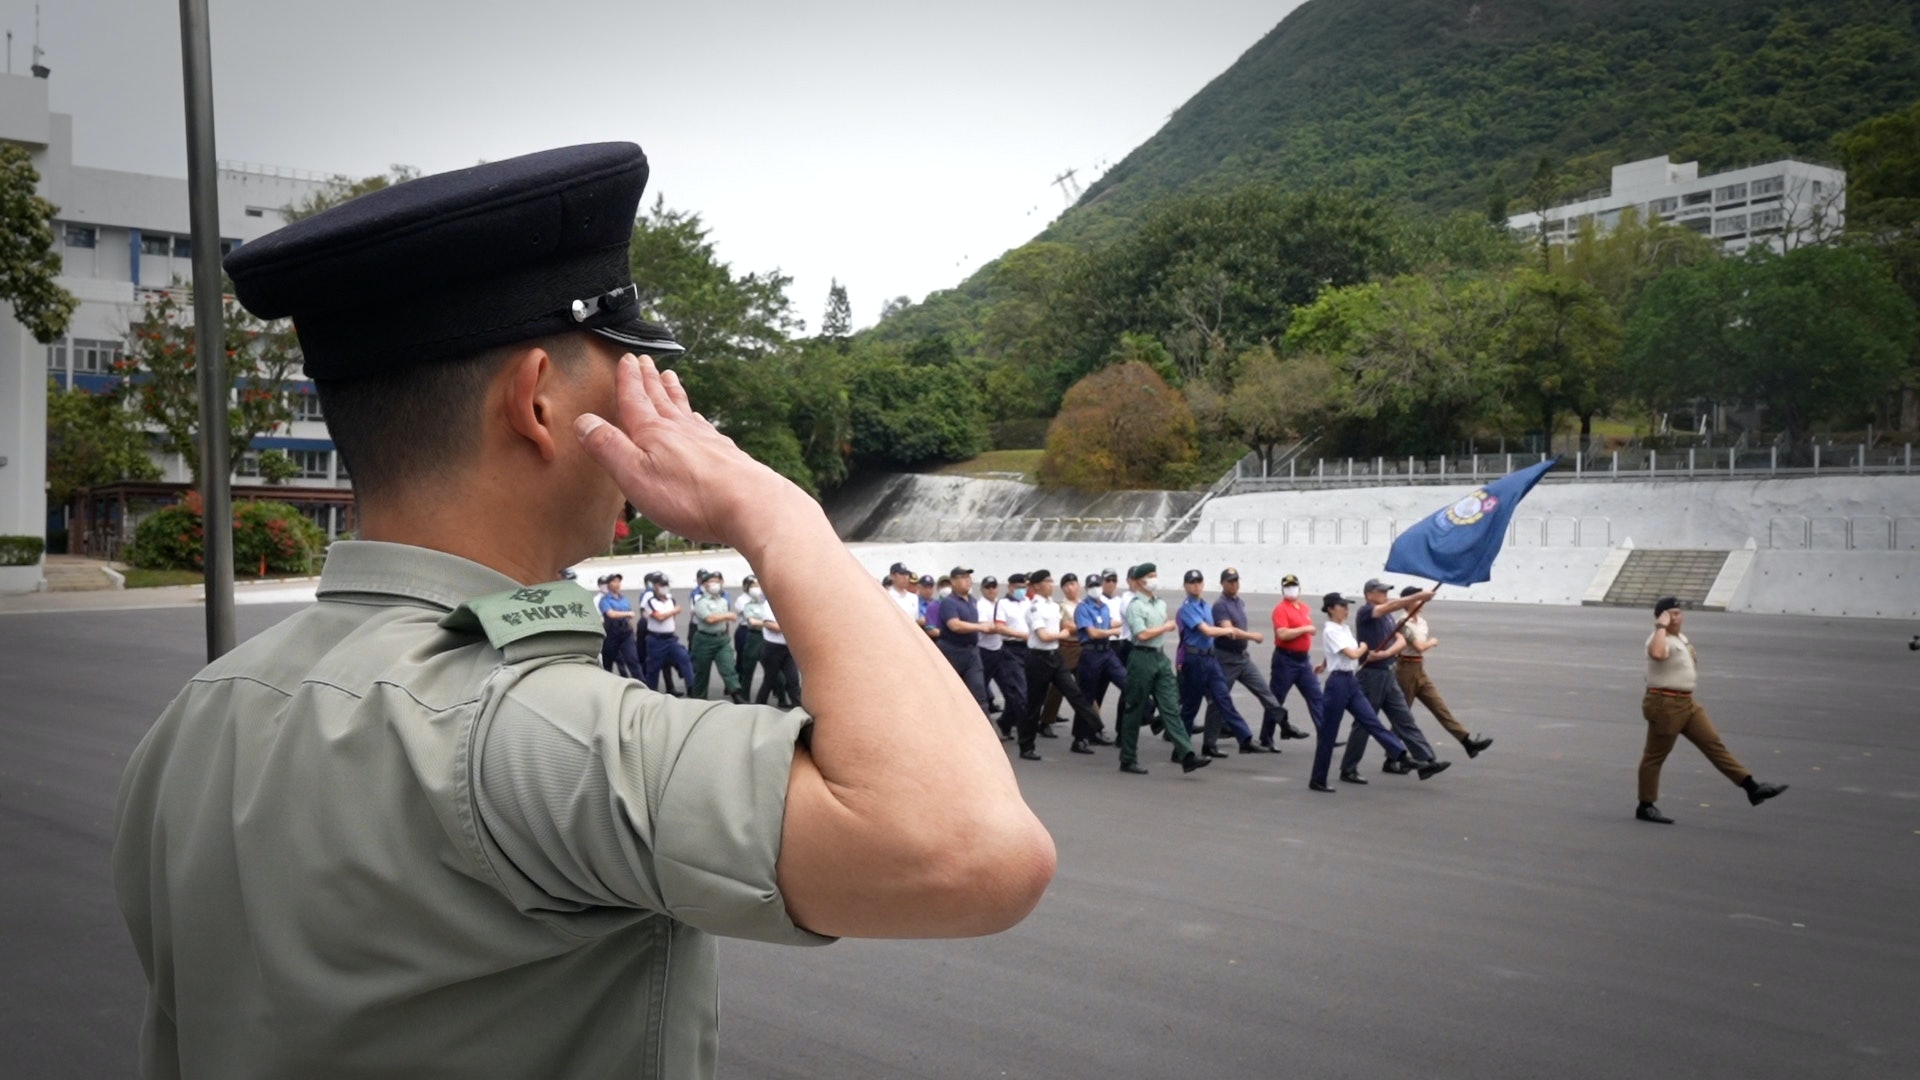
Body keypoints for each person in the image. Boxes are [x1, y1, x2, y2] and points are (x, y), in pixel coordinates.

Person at [114, 142, 1052, 1079]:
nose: (666, 414)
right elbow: (974, 850)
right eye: (633, 372)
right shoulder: (535, 731)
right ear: (537, 402)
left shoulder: (198, 716)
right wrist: (778, 514)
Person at [1636, 598, 1788, 824]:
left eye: (1679, 613)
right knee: (1655, 756)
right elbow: (1657, 654)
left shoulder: (1681, 639)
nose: (1677, 617)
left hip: (1687, 704)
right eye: (1671, 614)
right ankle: (1645, 806)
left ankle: (1751, 787)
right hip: (1665, 704)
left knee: (1713, 745)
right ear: (1660, 617)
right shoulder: (1658, 638)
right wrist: (1660, 626)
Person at [1315, 593, 1444, 791]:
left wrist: (1326, 661)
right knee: (1329, 733)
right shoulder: (1330, 630)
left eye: (1347, 605)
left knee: (1372, 722)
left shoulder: (1344, 628)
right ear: (1331, 609)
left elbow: (1339, 651)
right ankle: (1318, 779)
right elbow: (1351, 653)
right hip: (1338, 684)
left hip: (1350, 681)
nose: (1346, 609)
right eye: (1342, 606)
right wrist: (1364, 648)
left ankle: (1401, 755)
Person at [1116, 564, 1210, 776]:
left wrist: (1162, 629)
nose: (1154, 579)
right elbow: (1141, 634)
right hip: (1141, 657)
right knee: (1135, 708)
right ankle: (1128, 757)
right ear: (1139, 581)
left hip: (1159, 656)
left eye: (1155, 576)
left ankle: (1186, 755)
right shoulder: (1135, 606)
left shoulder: (1160, 603)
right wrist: (1165, 627)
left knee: (1170, 706)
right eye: (1150, 576)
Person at [1395, 585, 1493, 758]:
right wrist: (1432, 642)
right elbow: (1418, 647)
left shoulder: (1422, 622)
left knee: (1440, 708)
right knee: (1403, 716)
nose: (1422, 602)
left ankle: (1467, 742)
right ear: (1408, 602)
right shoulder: (1402, 622)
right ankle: (1393, 756)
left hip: (1419, 668)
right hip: (1405, 669)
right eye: (1418, 598)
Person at [1175, 569, 1263, 759]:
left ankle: (1245, 739)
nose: (1196, 585)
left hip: (1210, 658)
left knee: (1223, 698)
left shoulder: (1206, 606)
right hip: (1195, 660)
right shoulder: (1187, 608)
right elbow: (1206, 631)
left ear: (1203, 584)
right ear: (1185, 586)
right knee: (1191, 707)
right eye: (1191, 582)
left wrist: (1227, 631)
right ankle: (1181, 749)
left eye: (1199, 581)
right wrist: (1227, 631)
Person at [1203, 567, 1288, 755]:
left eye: (1236, 581)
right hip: (1225, 659)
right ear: (1222, 583)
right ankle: (1209, 744)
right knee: (1218, 701)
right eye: (1230, 581)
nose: (1234, 584)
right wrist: (1253, 636)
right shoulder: (1220, 605)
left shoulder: (1239, 602)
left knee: (1264, 690)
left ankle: (1285, 724)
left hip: (1242, 658)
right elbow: (1230, 631)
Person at [1021, 570, 1106, 755]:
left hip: (1056, 655)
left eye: (1051, 581)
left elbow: (1062, 624)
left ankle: (1094, 726)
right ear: (1036, 585)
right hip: (1039, 657)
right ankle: (1026, 746)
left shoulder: (1052, 605)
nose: (1051, 584)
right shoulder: (1034, 607)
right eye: (1047, 581)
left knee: (1074, 692)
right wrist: (1062, 635)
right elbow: (1042, 635)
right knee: (1035, 703)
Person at [1265, 574, 1320, 749]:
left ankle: (1326, 735)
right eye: (1287, 587)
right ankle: (1266, 739)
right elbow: (1282, 633)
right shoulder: (1281, 609)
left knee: (1316, 697)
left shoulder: (1304, 608)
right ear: (1282, 589)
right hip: (1285, 659)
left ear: (1299, 588)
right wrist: (1304, 629)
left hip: (1303, 660)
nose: (1291, 589)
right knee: (1276, 699)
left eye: (1293, 586)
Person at [937, 566, 997, 725]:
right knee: (950, 693)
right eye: (962, 577)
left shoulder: (972, 601)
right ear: (953, 582)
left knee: (979, 693)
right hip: (952, 651)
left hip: (971, 651)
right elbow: (954, 625)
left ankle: (986, 732)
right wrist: (980, 627)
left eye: (968, 578)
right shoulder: (949, 602)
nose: (967, 581)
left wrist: (988, 625)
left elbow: (975, 622)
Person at [1075, 571, 1129, 725]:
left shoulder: (1104, 607)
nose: (1095, 588)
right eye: (1092, 586)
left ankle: (1146, 715)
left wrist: (1130, 621)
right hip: (1091, 652)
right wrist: (1113, 632)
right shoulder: (1083, 608)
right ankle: (1082, 737)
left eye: (1097, 585)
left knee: (1127, 683)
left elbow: (1110, 623)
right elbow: (1092, 632)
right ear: (1086, 588)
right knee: (1088, 695)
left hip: (1107, 651)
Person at [992, 573, 1039, 745]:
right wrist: (1021, 635)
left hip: (1029, 648)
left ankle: (1005, 722)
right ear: (1010, 587)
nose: (1021, 590)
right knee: (1021, 693)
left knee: (1025, 691)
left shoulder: (1028, 603)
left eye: (1023, 587)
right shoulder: (1003, 604)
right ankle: (1024, 732)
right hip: (1011, 649)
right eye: (1018, 587)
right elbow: (1000, 627)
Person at [689, 570, 746, 703]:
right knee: (702, 673)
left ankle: (736, 694)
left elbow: (725, 622)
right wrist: (727, 616)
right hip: (704, 640)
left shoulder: (723, 601)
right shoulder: (701, 602)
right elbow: (709, 619)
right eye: (711, 582)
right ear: (705, 585)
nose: (715, 584)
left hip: (721, 639)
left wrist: (726, 634)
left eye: (717, 582)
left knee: (728, 667)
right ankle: (699, 701)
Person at [641, 571, 696, 695]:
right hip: (656, 640)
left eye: (666, 584)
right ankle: (650, 695)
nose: (664, 587)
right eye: (662, 584)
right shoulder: (650, 601)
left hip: (670, 638)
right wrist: (674, 611)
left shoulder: (671, 600)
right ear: (655, 586)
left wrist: (672, 613)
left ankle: (692, 687)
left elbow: (673, 615)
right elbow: (659, 617)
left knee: (684, 658)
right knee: (653, 669)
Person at [597, 572, 641, 678]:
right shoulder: (605, 600)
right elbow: (611, 614)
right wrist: (627, 614)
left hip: (625, 632)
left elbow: (629, 618)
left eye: (618, 581)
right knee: (608, 662)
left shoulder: (624, 599)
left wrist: (633, 629)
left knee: (633, 660)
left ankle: (642, 685)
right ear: (608, 585)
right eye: (614, 581)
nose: (617, 584)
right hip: (612, 633)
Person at [735, 574, 768, 700]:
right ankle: (743, 693)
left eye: (758, 585)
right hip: (747, 632)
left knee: (771, 666)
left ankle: (780, 694)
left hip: (765, 634)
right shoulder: (743, 600)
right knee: (745, 663)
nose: (756, 588)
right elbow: (751, 619)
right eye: (753, 585)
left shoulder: (764, 600)